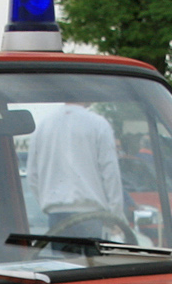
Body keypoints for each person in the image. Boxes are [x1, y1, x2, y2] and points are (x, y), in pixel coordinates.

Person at [27, 101, 125, 238]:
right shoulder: (98, 124)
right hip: (91, 214)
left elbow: (32, 176)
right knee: (90, 259)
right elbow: (110, 173)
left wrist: (48, 203)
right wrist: (115, 217)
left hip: (56, 216)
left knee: (61, 260)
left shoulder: (44, 125)